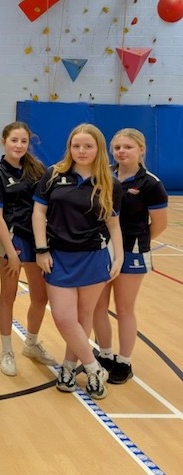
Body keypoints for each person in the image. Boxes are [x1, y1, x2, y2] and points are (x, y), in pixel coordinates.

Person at [32, 123, 123, 400]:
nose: (81, 151)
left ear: (98, 149)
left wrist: (118, 257)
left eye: (88, 146)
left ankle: (69, 368)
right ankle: (95, 368)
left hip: (93, 257)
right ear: (69, 147)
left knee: (84, 317)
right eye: (76, 145)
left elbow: (114, 225)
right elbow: (38, 214)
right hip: (58, 256)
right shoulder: (54, 174)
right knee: (63, 316)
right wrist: (41, 249)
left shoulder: (110, 183)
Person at [93, 129, 168, 384]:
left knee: (124, 308)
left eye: (127, 147)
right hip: (102, 248)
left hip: (132, 251)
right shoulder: (104, 176)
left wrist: (138, 241)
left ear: (141, 150)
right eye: (117, 147)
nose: (121, 152)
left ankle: (123, 362)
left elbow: (159, 224)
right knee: (98, 306)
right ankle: (104, 354)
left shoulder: (150, 183)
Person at [0, 121, 57, 376]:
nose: (18, 145)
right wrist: (10, 251)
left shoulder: (38, 170)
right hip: (12, 240)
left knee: (40, 296)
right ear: (3, 141)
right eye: (14, 140)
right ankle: (7, 350)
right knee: (8, 295)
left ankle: (31, 343)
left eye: (23, 141)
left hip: (36, 240)